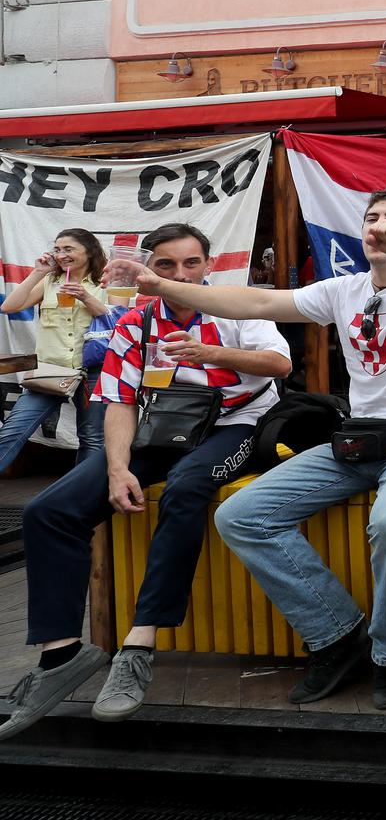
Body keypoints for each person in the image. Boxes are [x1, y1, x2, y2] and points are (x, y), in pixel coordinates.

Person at [109, 190, 386, 711]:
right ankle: (338, 636)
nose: (380, 225)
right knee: (241, 515)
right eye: (372, 217)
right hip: (361, 438)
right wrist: (161, 284)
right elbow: (257, 302)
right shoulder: (343, 289)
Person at [0, 224, 290, 740]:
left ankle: (138, 645)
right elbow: (119, 401)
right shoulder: (135, 320)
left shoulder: (232, 303)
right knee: (48, 510)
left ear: (208, 263)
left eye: (191, 264)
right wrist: (116, 469)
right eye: (166, 265)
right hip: (165, 427)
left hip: (236, 425)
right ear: (147, 269)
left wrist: (213, 355)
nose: (180, 274)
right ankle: (61, 653)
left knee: (183, 491)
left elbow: (278, 363)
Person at [0, 229, 110, 475]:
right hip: (52, 368)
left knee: (92, 439)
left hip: (94, 370)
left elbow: (117, 320)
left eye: (68, 249)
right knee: (13, 431)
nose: (61, 255)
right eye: (58, 249)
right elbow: (10, 306)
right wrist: (39, 272)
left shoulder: (106, 281)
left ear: (89, 250)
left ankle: (83, 502)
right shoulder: (50, 281)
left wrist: (85, 298)